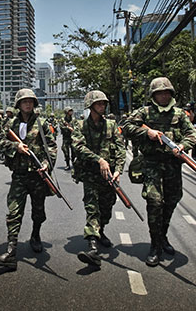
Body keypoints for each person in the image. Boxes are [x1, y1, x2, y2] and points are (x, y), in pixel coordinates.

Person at [122, 77, 196, 266]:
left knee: (171, 200)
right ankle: (155, 245)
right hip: (152, 165)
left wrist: (182, 145)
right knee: (155, 202)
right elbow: (127, 127)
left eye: (166, 92)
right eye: (159, 93)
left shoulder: (179, 114)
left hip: (173, 165)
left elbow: (191, 134)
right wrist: (147, 133)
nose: (163, 96)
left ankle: (162, 236)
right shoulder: (144, 112)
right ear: (153, 95)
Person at [0, 89, 57, 270]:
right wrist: (15, 146)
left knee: (38, 212)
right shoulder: (11, 123)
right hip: (19, 175)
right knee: (13, 212)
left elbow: (51, 146)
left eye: (30, 101)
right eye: (24, 101)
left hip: (37, 176)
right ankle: (11, 250)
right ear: (18, 104)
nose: (27, 104)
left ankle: (35, 235)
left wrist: (46, 164)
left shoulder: (42, 123)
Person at [72, 91, 125, 267]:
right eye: (99, 104)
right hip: (90, 175)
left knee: (107, 207)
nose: (102, 106)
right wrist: (99, 160)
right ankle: (92, 246)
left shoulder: (111, 124)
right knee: (92, 208)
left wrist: (118, 170)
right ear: (91, 106)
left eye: (104, 103)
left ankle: (100, 231)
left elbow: (120, 148)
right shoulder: (80, 125)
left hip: (108, 176)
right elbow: (78, 147)